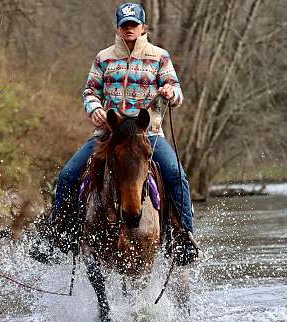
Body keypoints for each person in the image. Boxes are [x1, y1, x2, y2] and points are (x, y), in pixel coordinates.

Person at [31, 3, 198, 265]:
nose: (129, 29)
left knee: (177, 175)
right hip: (108, 135)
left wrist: (169, 93)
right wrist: (95, 108)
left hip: (148, 134)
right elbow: (89, 92)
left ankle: (184, 237)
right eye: (124, 24)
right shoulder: (104, 58)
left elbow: (177, 93)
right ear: (118, 27)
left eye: (134, 24)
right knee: (67, 175)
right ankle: (58, 237)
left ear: (143, 27)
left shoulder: (159, 57)